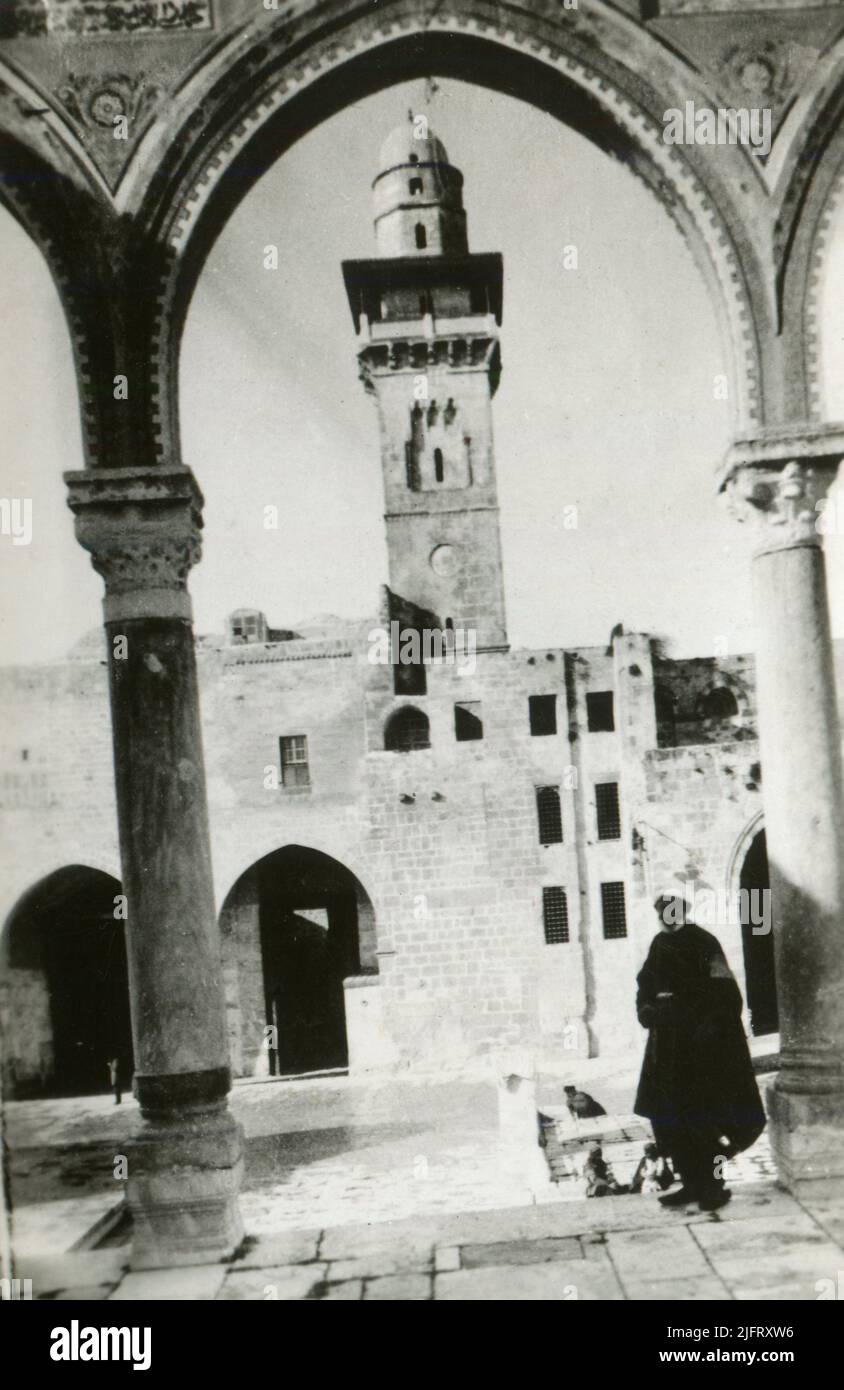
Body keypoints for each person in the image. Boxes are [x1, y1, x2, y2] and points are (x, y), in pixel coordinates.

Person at [634, 895, 766, 1212]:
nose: (664, 918)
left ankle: (715, 1187)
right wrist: (647, 1008)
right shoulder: (659, 944)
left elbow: (725, 992)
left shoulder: (704, 942)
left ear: (679, 913)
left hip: (700, 1052)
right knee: (673, 1120)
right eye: (660, 914)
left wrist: (708, 1030)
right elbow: (645, 983)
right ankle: (690, 1184)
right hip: (666, 1048)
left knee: (706, 1122)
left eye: (668, 912)